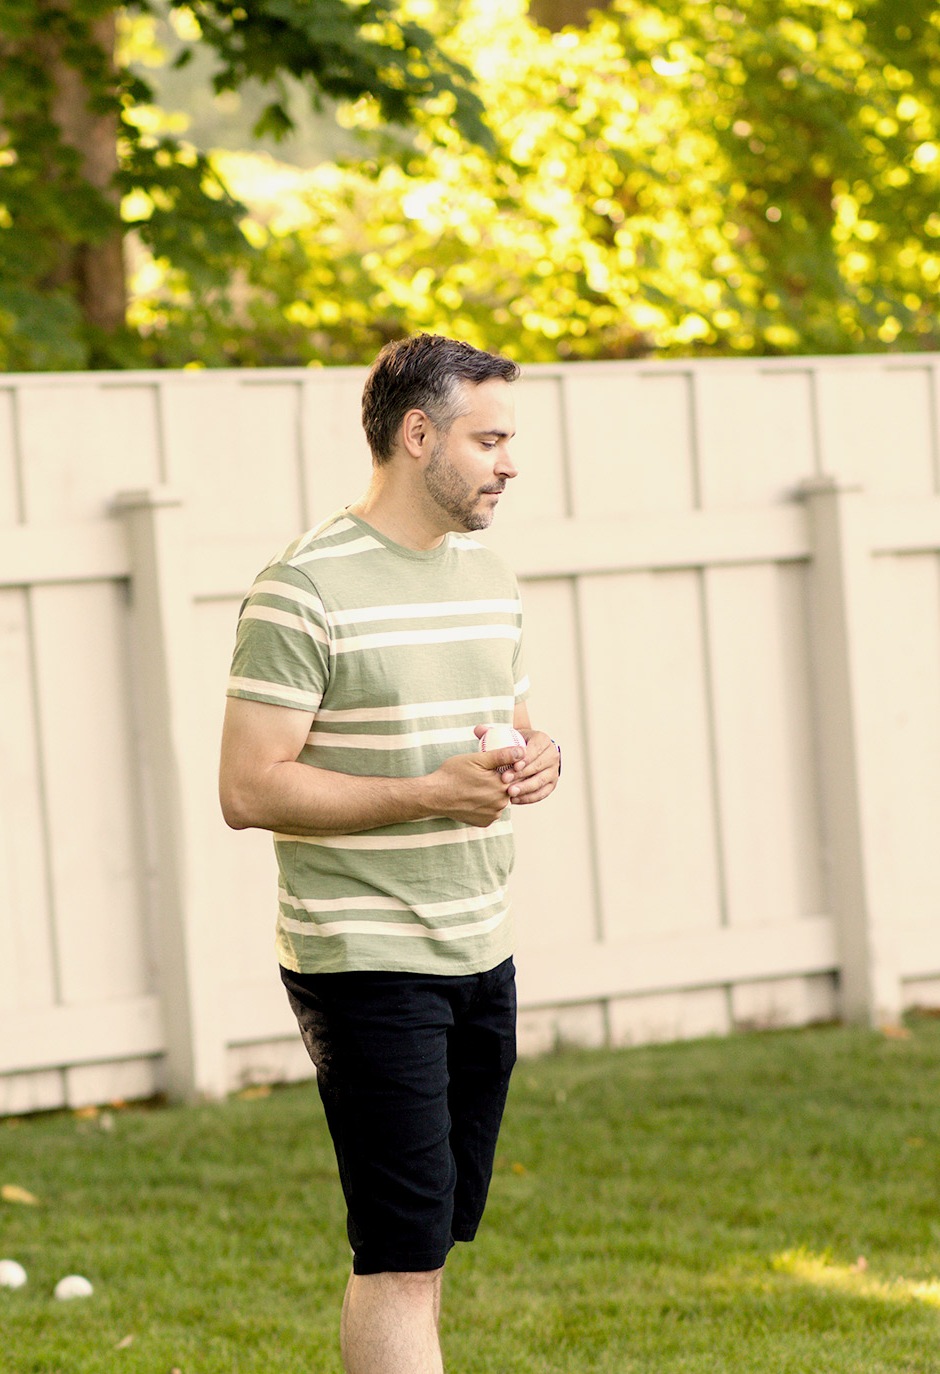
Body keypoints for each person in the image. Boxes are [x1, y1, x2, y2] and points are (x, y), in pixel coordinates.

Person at [217, 334, 562, 1374]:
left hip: (477, 948)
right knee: (399, 1255)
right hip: (363, 960)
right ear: (418, 435)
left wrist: (535, 756)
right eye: (488, 439)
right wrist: (424, 795)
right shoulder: (302, 588)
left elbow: (504, 727)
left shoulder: (487, 578)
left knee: (430, 1242)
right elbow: (247, 787)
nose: (509, 463)